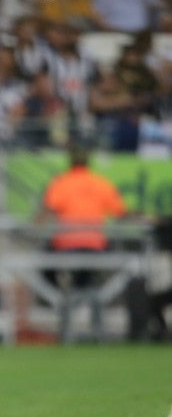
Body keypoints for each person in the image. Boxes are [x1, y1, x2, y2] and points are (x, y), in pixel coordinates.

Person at [37, 145, 127, 339]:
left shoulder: (61, 183)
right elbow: (121, 212)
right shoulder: (100, 183)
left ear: (69, 161)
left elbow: (45, 213)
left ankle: (59, 304)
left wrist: (33, 226)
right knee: (89, 279)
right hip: (96, 245)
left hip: (66, 245)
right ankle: (88, 307)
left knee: (44, 268)